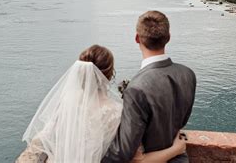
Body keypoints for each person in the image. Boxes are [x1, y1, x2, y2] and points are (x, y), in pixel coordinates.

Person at [17, 44, 186, 163]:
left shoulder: (66, 102)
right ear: (110, 74)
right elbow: (138, 159)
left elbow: (43, 139)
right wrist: (176, 150)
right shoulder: (117, 111)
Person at [101, 11, 197, 163]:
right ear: (168, 37)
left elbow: (123, 151)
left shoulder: (136, 88)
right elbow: (180, 122)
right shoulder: (188, 74)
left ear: (137, 38)